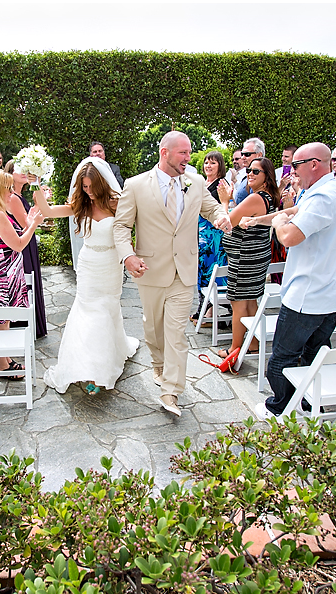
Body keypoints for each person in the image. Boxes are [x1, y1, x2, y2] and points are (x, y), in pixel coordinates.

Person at [113, 131, 232, 417]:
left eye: (189, 153)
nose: (188, 159)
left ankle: (171, 392)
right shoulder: (136, 185)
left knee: (176, 333)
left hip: (185, 270)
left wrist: (221, 215)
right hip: (150, 269)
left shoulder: (196, 182)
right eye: (183, 153)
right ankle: (158, 364)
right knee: (153, 329)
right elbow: (120, 227)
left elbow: (211, 207)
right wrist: (128, 255)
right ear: (165, 153)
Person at [245, 143, 336, 418]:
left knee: (282, 358)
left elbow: (290, 234)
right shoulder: (335, 189)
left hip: (309, 294)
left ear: (314, 164)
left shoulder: (323, 197)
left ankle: (280, 408)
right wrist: (258, 221)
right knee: (312, 356)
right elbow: (293, 213)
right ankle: (304, 403)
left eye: (295, 165)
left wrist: (279, 224)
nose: (292, 172)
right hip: (332, 293)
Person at [35, 157, 139, 394]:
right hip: (89, 264)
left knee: (107, 309)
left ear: (102, 184)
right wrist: (36, 184)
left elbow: (134, 227)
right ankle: (91, 369)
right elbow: (47, 210)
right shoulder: (79, 206)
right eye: (84, 187)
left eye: (92, 186)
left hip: (111, 265)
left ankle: (106, 359)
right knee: (88, 312)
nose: (88, 191)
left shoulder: (116, 203)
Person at [0, 170, 44, 377]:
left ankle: (5, 358)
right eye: (7, 188)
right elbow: (17, 244)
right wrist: (33, 225)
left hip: (8, 270)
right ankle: (1, 364)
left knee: (5, 319)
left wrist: (30, 220)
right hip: (5, 272)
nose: (10, 193)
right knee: (1, 318)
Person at [215, 157, 278, 358]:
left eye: (255, 171)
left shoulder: (256, 198)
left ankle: (235, 348)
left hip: (245, 258)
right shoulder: (270, 197)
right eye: (249, 170)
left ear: (267, 177)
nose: (249, 173)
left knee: (238, 301)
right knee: (250, 300)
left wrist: (225, 201)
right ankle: (253, 342)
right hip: (258, 255)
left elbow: (226, 223)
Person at [4, 159, 48, 338]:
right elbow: (27, 225)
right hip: (22, 245)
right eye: (18, 170)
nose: (23, 173)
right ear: (10, 173)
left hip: (27, 243)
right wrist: (39, 203)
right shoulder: (13, 197)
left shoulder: (19, 196)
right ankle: (25, 325)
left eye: (25, 170)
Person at [192, 151, 228, 325]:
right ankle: (205, 307)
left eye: (213, 163)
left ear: (220, 165)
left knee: (212, 270)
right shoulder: (200, 183)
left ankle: (212, 309)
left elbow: (222, 207)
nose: (208, 166)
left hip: (214, 234)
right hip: (200, 232)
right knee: (202, 270)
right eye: (206, 162)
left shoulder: (221, 184)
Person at [232, 138, 265, 205]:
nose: (243, 157)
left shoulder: (260, 176)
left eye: (247, 154)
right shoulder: (248, 175)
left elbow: (253, 205)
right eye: (242, 154)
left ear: (259, 155)